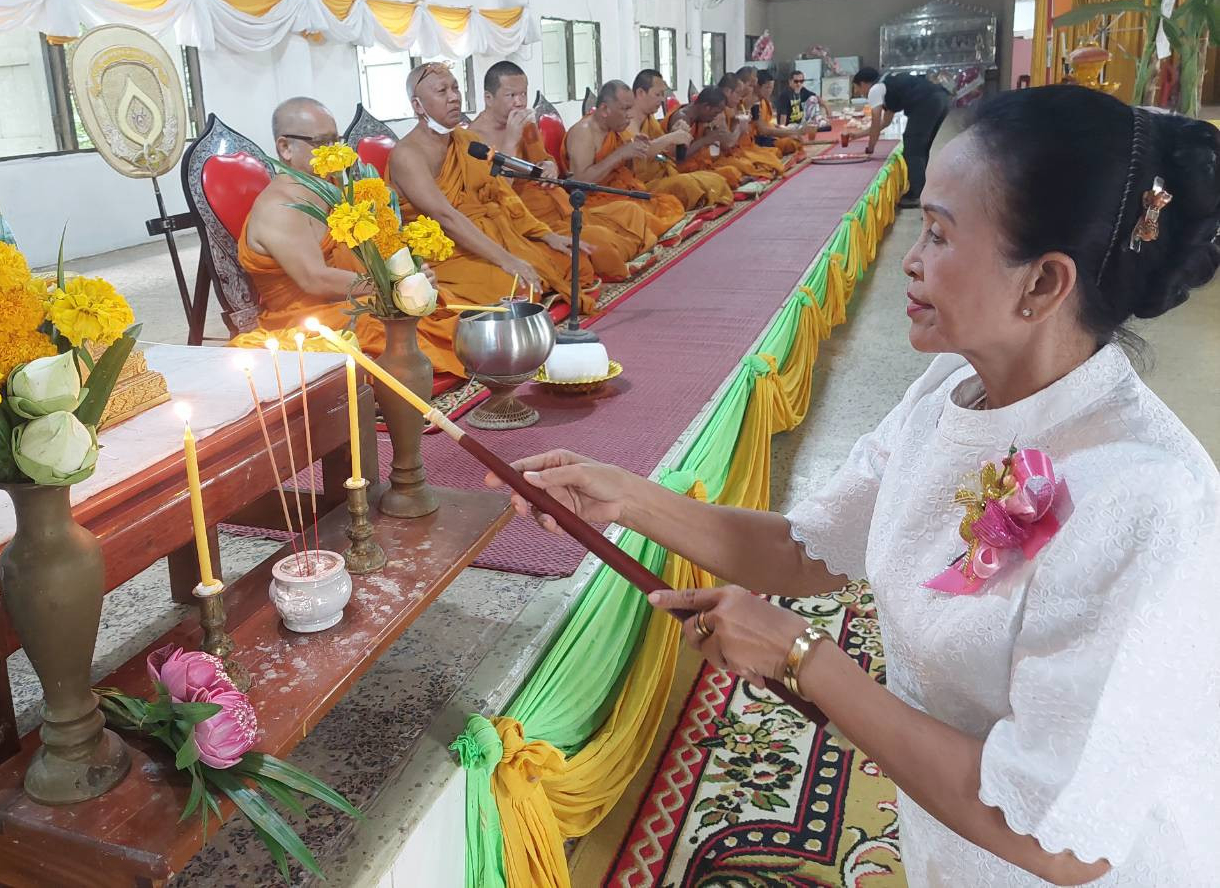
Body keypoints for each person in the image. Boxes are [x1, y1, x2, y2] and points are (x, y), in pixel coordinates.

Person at [492, 86, 1220, 887]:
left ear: (1043, 284)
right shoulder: (950, 392)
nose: (910, 258)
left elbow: (1058, 837)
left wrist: (804, 658)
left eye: (937, 233)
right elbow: (804, 553)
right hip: (950, 841)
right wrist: (626, 498)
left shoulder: (1142, 495)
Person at [236, 96, 464, 377]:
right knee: (394, 327)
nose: (334, 151)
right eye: (322, 143)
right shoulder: (280, 206)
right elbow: (315, 279)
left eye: (337, 140)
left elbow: (370, 250)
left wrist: (409, 273)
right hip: (306, 320)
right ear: (285, 147)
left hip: (350, 301)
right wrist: (392, 286)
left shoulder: (332, 188)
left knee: (437, 305)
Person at [386, 62, 586, 307]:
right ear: (418, 105)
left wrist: (544, 234)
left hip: (486, 236)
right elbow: (445, 217)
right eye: (442, 91)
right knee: (519, 288)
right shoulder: (407, 155)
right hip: (441, 252)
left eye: (455, 88)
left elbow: (499, 193)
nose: (454, 97)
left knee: (572, 262)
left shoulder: (467, 140)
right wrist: (506, 259)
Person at [470, 61, 655, 283]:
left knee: (630, 212)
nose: (519, 102)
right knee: (599, 241)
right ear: (488, 98)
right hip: (527, 220)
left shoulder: (526, 124)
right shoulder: (474, 139)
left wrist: (551, 166)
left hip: (559, 204)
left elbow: (544, 159)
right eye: (511, 95)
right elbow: (492, 196)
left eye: (523, 94)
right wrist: (510, 142)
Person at [565, 79, 687, 236]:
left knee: (667, 203)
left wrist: (633, 148)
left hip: (618, 193)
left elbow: (624, 170)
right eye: (625, 109)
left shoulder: (614, 129)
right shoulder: (584, 133)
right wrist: (620, 153)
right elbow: (579, 182)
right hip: (593, 203)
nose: (630, 115)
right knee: (635, 213)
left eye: (631, 108)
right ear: (605, 109)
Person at [627, 69, 733, 209]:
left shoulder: (649, 119)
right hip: (641, 184)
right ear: (640, 93)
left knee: (716, 179)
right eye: (658, 94)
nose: (662, 99)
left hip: (662, 175)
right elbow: (641, 151)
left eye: (663, 94)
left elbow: (667, 153)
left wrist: (676, 133)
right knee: (689, 185)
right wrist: (671, 137)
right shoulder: (629, 120)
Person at [851, 65, 951, 209]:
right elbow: (885, 123)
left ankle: (915, 194)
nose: (860, 93)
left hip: (927, 102)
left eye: (858, 89)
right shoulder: (888, 85)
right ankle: (924, 190)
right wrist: (857, 135)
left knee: (912, 147)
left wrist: (870, 148)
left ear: (864, 84)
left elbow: (875, 121)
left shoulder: (875, 89)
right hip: (941, 99)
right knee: (921, 148)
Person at [664, 84, 748, 189]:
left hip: (698, 167)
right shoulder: (682, 119)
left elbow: (724, 144)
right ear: (706, 107)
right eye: (715, 113)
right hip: (679, 171)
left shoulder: (700, 118)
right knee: (722, 177)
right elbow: (678, 157)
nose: (714, 117)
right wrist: (706, 140)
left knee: (730, 171)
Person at [752, 69, 810, 161]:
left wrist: (785, 130)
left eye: (772, 88)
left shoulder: (765, 101)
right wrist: (794, 132)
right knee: (779, 150)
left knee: (794, 142)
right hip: (757, 139)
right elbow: (763, 130)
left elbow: (768, 124)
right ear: (757, 86)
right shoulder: (752, 103)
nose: (770, 91)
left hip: (768, 135)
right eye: (767, 88)